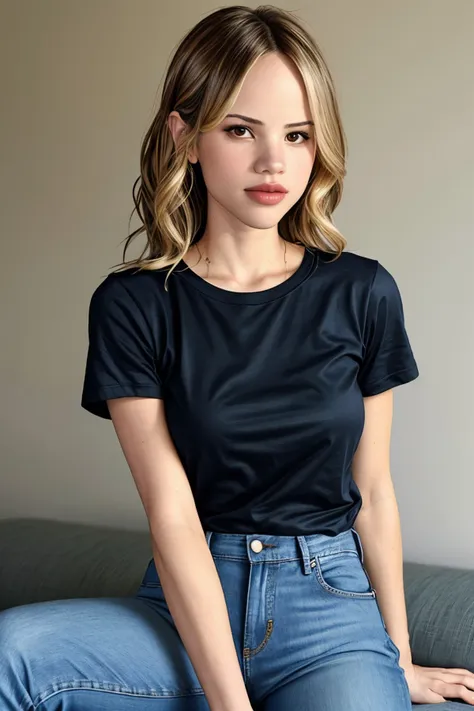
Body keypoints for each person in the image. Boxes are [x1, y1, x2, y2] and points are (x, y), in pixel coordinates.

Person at [2, 5, 474, 710]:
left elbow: (373, 493)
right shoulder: (135, 304)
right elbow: (171, 512)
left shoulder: (362, 290)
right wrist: (230, 703)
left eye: (297, 135)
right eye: (239, 129)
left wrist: (397, 659)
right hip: (184, 608)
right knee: (10, 652)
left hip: (331, 615)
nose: (272, 162)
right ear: (186, 137)